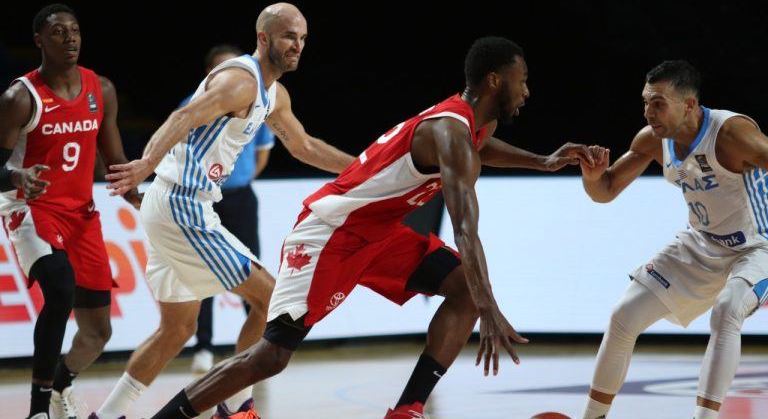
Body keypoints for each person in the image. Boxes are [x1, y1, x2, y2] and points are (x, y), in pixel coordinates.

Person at [147, 36, 597, 419]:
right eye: (521, 80)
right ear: (494, 81)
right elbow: (464, 228)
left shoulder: (474, 124)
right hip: (331, 233)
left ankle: (406, 411)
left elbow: (484, 145)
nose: (527, 90)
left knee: (462, 287)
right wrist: (491, 304)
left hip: (379, 233)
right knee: (271, 357)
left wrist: (543, 160)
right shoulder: (450, 133)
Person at [92, 2, 354, 419]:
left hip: (178, 205)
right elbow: (184, 116)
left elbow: (304, 146)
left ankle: (106, 415)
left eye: (303, 38)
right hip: (182, 205)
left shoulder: (273, 94)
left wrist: (365, 169)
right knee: (272, 300)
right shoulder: (240, 81)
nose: (297, 46)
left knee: (177, 329)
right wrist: (145, 163)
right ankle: (232, 406)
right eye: (289, 36)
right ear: (263, 37)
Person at [579, 60, 768, 419]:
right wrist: (592, 177)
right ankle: (591, 416)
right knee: (623, 316)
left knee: (727, 311)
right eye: (646, 102)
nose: (649, 112)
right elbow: (604, 191)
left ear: (690, 105)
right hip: (702, 242)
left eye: (658, 103)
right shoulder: (652, 140)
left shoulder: (732, 135)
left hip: (758, 245)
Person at [0, 3, 140, 419]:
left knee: (98, 333)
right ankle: (37, 409)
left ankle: (61, 385)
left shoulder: (103, 90)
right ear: (39, 40)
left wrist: (135, 192)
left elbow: (114, 160)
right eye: (59, 32)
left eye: (75, 30)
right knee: (60, 289)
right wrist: (17, 177)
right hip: (31, 207)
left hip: (81, 214)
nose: (71, 38)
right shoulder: (19, 98)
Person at [179, 45, 276, 379]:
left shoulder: (257, 103)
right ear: (210, 75)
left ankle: (261, 347)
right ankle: (203, 347)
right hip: (202, 200)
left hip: (240, 197)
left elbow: (262, 153)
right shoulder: (191, 106)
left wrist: (241, 177)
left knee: (254, 269)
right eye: (224, 69)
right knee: (204, 275)